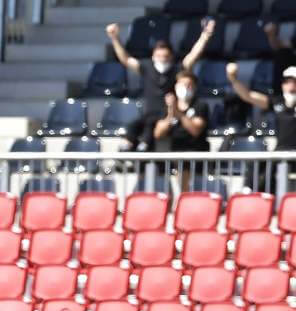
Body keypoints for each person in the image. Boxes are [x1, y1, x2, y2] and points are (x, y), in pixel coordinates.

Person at [105, 20, 215, 152]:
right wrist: (115, 38)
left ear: (171, 57)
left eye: (166, 56)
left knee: (148, 140)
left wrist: (205, 36)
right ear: (153, 56)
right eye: (159, 56)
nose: (162, 59)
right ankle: (125, 154)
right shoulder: (147, 67)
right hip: (149, 115)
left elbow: (193, 56)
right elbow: (126, 60)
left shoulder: (177, 69)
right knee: (132, 127)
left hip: (166, 115)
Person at [226, 61, 296, 192]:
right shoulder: (277, 102)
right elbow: (248, 96)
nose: (291, 86)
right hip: (280, 153)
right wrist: (233, 79)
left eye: (294, 82)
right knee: (259, 163)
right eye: (287, 82)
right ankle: (249, 192)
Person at [153, 70, 209, 155]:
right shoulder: (168, 107)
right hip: (174, 153)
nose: (185, 87)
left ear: (195, 87)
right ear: (176, 86)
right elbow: (158, 134)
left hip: (195, 154)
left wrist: (178, 113)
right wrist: (171, 113)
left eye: (189, 85)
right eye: (182, 84)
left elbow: (196, 131)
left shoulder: (200, 106)